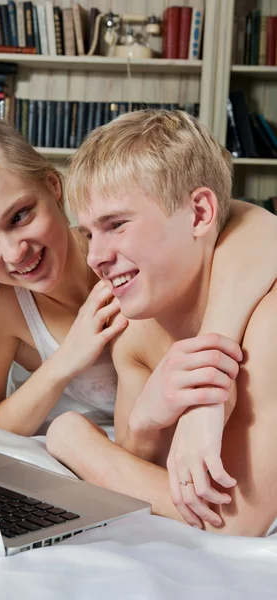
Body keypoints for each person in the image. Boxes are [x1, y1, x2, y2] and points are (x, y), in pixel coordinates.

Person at [46, 109, 277, 537]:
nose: (95, 257)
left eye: (116, 225)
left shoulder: (269, 318)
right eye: (89, 234)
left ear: (200, 213)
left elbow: (241, 520)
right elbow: (135, 467)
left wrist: (74, 440)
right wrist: (143, 423)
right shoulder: (135, 332)